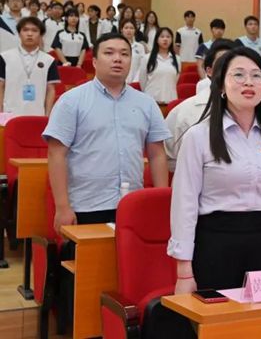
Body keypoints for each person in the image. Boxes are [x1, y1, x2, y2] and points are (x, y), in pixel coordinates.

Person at [169, 46, 261, 293]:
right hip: (215, 243)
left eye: (256, 75)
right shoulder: (199, 136)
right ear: (220, 85)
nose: (249, 82)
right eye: (238, 75)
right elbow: (184, 203)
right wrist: (184, 269)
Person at [43, 32, 170, 231]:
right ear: (94, 61)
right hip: (86, 205)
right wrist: (62, 207)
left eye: (124, 54)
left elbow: (157, 154)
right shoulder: (71, 101)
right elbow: (56, 154)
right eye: (109, 53)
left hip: (132, 204)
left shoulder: (146, 103)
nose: (117, 59)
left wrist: (161, 201)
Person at [165, 39, 237, 171]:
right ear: (209, 71)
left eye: (234, 63)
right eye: (222, 62)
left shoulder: (252, 111)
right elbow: (168, 158)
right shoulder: (184, 111)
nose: (229, 69)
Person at [0, 17, 59, 116]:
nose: (30, 34)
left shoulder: (49, 60)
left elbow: (50, 90)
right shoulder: (4, 57)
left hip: (37, 115)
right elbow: (0, 86)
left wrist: (47, 115)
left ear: (41, 35)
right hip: (9, 115)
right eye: (25, 30)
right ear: (19, 34)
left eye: (34, 30)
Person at [139, 27, 180, 104]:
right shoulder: (147, 58)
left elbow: (175, 79)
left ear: (172, 40)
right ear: (156, 39)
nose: (165, 39)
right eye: (162, 36)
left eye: (168, 37)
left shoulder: (177, 59)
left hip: (170, 100)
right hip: (151, 101)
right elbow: (142, 80)